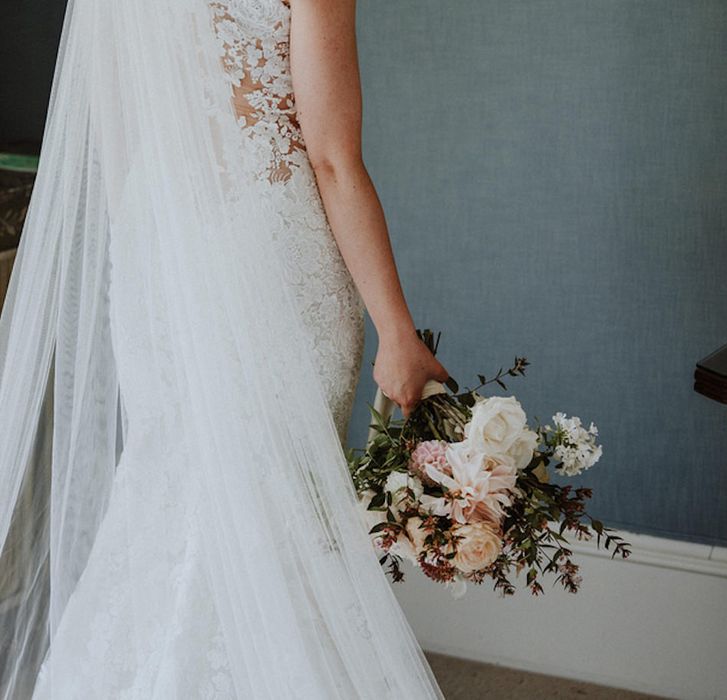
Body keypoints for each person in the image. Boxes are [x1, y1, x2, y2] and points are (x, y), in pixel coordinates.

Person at [0, 0, 448, 697]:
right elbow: (332, 159)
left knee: (174, 481)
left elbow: (118, 141)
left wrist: (161, 268)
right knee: (276, 501)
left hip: (153, 242)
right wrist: (398, 330)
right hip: (267, 246)